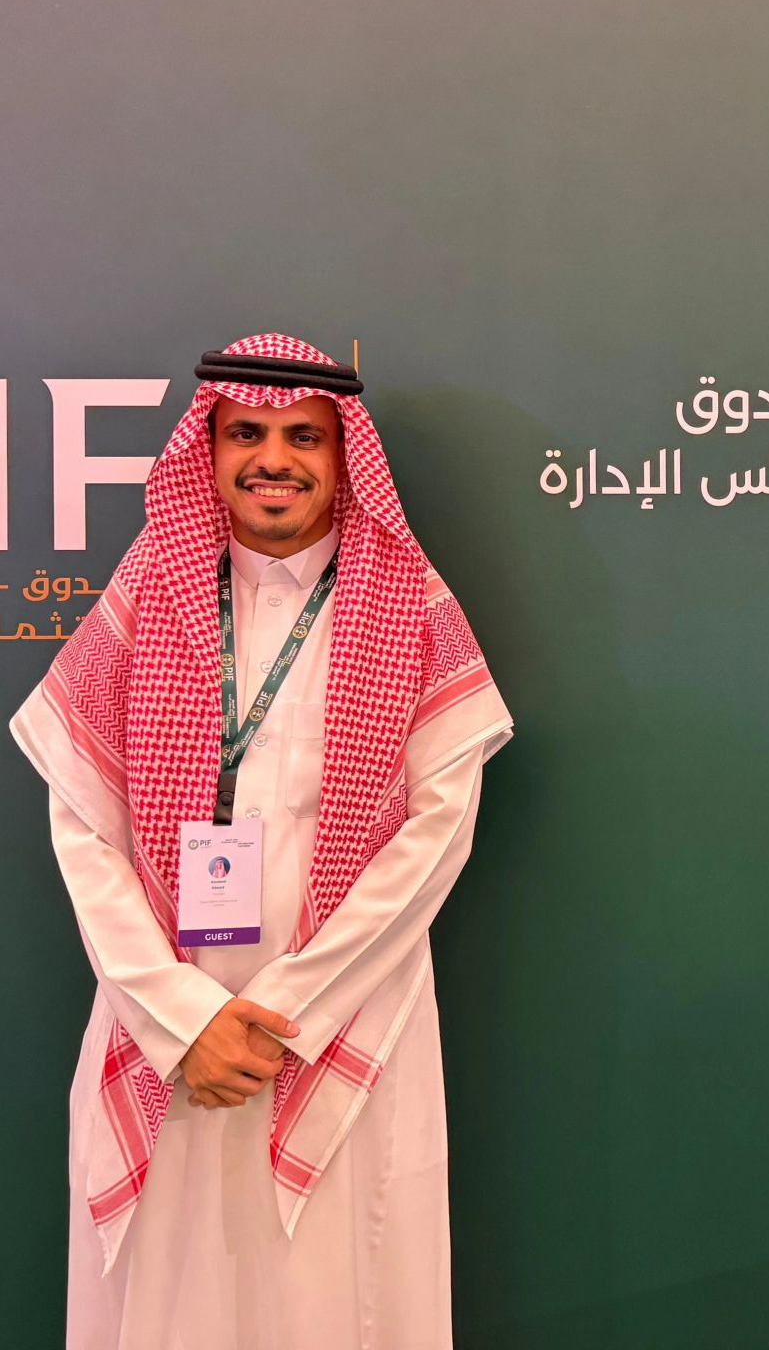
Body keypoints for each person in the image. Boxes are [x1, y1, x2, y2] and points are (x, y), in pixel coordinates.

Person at [10, 333, 513, 1350]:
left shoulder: (409, 604)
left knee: (336, 1297)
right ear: (209, 448)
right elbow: (85, 828)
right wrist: (184, 1018)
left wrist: (285, 1013)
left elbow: (437, 834)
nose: (272, 459)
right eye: (246, 433)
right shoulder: (147, 597)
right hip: (164, 1030)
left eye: (303, 437)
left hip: (349, 1018)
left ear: (343, 455)